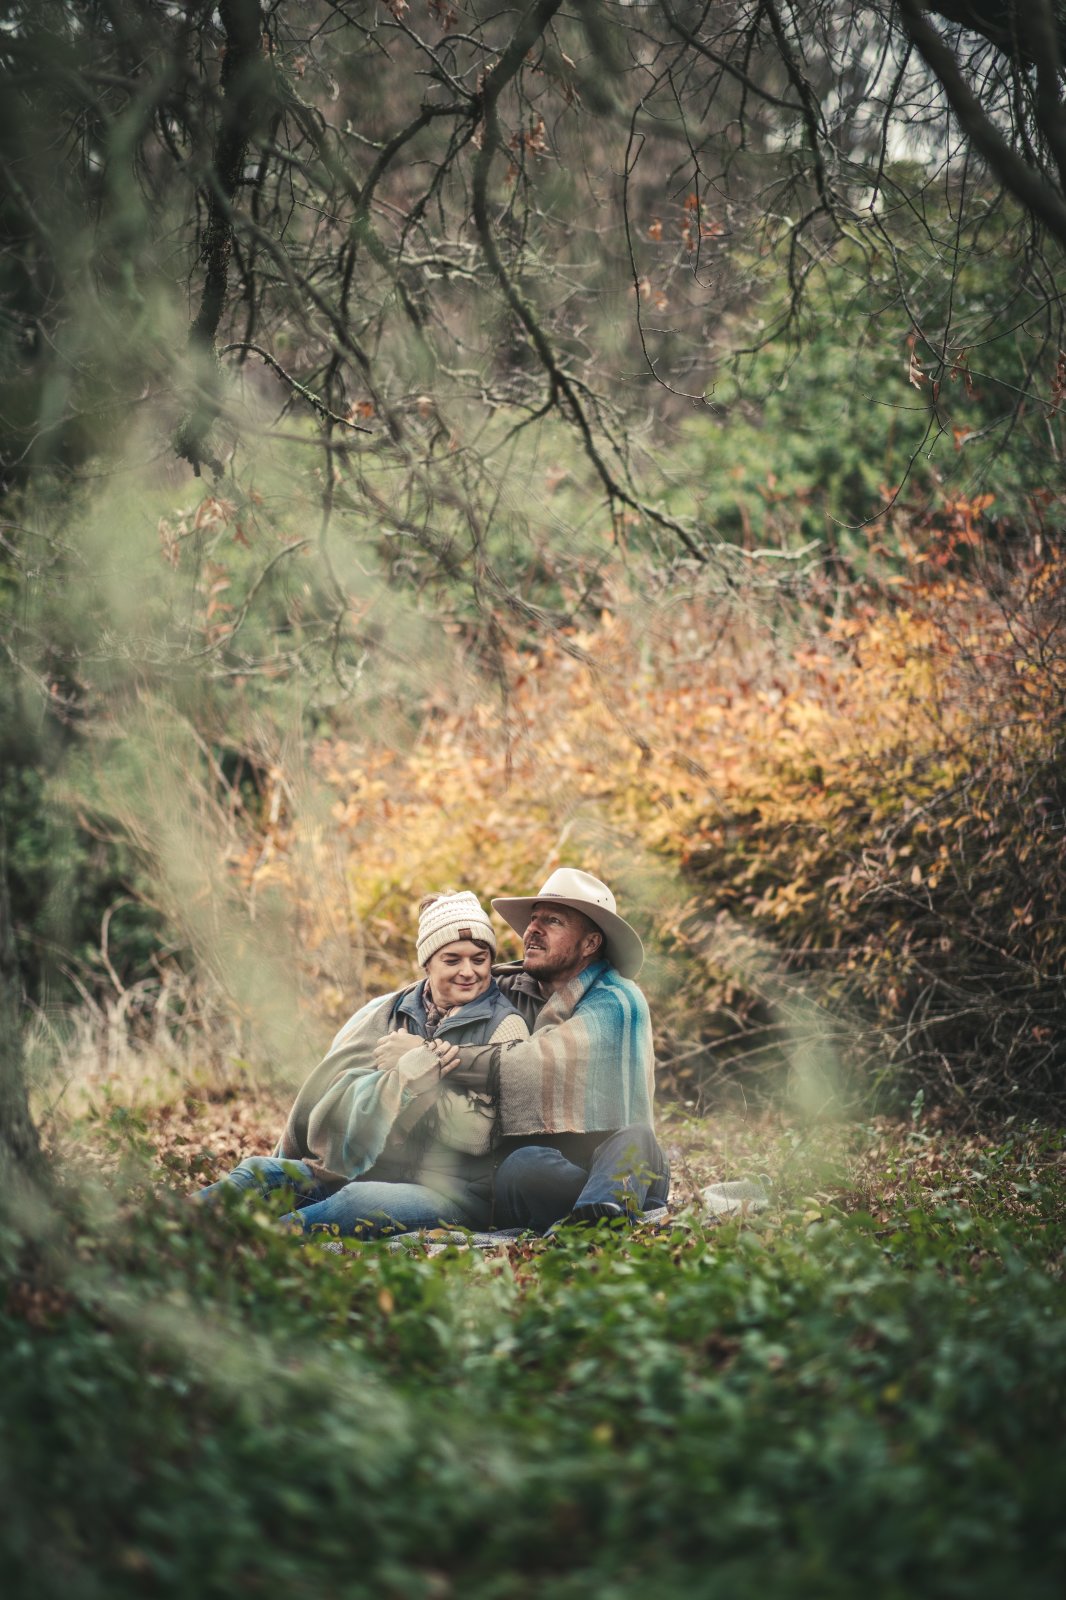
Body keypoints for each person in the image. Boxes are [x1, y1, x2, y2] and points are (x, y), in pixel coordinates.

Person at [197, 890, 528, 1236]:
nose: (468, 971)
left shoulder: (505, 1026)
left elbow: (480, 1137)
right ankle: (172, 1229)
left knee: (355, 1201)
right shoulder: (396, 1011)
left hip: (455, 1194)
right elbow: (345, 1089)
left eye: (479, 959)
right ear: (427, 963)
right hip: (372, 1170)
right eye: (452, 960)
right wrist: (392, 1087)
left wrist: (422, 1077)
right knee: (260, 1173)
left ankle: (249, 1247)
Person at [452, 867, 670, 1232]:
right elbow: (432, 992)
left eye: (552, 921)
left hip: (622, 1171)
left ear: (590, 944)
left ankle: (602, 1209)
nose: (532, 930)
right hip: (550, 1177)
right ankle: (599, 1221)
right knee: (522, 1164)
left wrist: (439, 1060)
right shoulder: (506, 988)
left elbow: (542, 1064)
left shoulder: (618, 1000)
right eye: (533, 919)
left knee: (637, 1139)